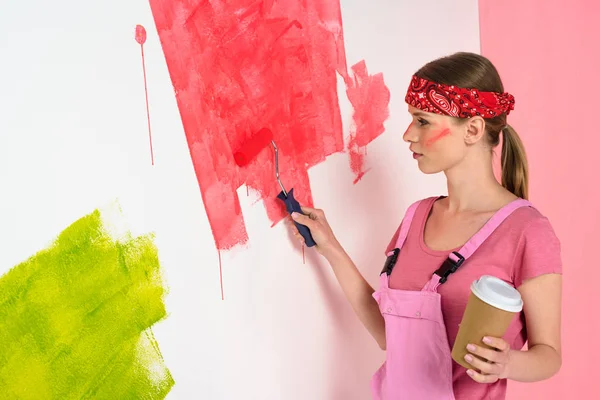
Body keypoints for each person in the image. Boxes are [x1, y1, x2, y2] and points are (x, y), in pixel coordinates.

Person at [288, 52, 562, 399]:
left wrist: (507, 364)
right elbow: (388, 335)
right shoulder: (416, 216)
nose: (407, 134)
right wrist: (331, 247)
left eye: (422, 121)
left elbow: (549, 355)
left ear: (473, 129)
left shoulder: (527, 230)